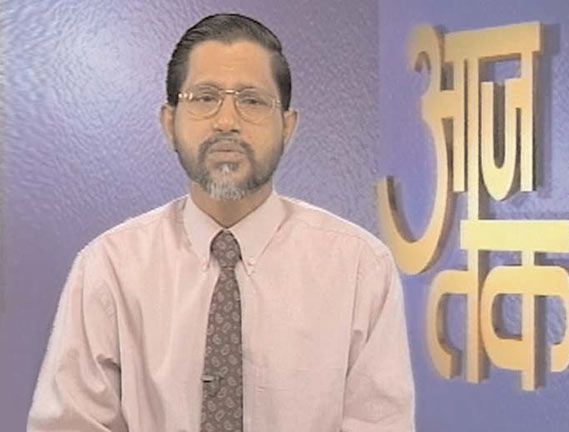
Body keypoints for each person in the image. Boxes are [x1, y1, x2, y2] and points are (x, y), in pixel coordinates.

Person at [27, 13, 414, 432]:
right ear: (169, 123)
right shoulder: (110, 268)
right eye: (204, 97)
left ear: (287, 127)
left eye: (252, 100)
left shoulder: (359, 268)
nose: (227, 121)